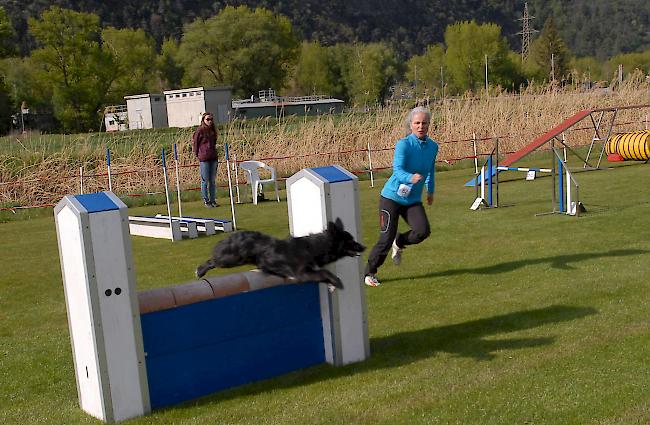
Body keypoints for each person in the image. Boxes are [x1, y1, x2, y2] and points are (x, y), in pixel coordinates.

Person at [364, 106, 439, 287]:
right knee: (385, 238)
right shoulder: (403, 144)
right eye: (417, 123)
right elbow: (397, 171)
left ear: (429, 124)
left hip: (412, 200)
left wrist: (430, 190)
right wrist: (410, 177)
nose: (421, 126)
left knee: (423, 231)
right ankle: (369, 273)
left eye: (424, 123)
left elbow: (430, 170)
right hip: (391, 198)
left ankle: (400, 241)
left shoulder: (433, 147)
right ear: (411, 125)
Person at [192, 112, 219, 207]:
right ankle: (206, 200)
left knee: (212, 180)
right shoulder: (199, 131)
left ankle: (213, 200)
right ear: (203, 120)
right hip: (204, 158)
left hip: (213, 157)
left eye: (211, 119)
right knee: (205, 180)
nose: (210, 121)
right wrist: (197, 155)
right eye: (208, 119)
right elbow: (195, 144)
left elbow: (214, 142)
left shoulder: (213, 130)